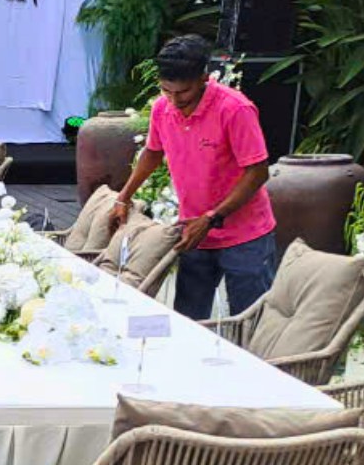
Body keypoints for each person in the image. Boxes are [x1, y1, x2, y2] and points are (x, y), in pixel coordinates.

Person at [111, 34, 277, 320]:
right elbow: (153, 152)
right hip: (194, 233)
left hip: (245, 236)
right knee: (188, 321)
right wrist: (123, 197)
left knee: (250, 324)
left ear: (203, 78)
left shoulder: (235, 109)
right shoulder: (162, 108)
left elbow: (258, 171)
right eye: (166, 91)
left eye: (183, 92)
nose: (175, 101)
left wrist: (211, 218)